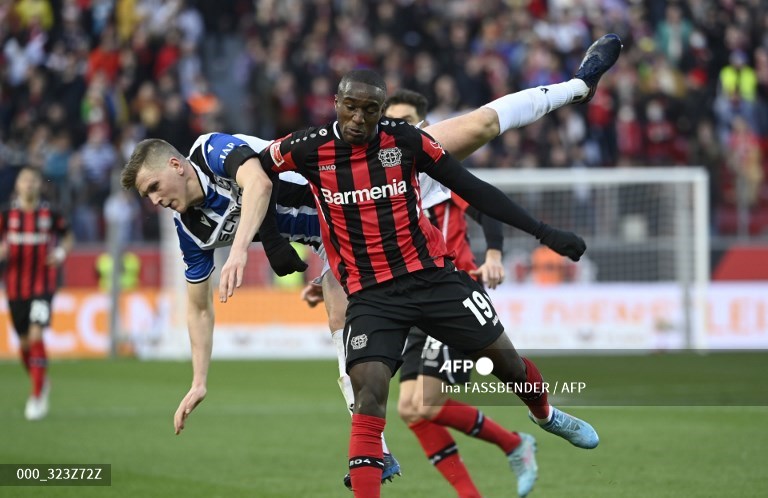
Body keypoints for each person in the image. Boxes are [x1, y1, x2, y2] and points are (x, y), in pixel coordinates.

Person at [121, 34, 620, 497]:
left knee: (482, 125)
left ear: (175, 166)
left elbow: (258, 180)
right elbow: (198, 307)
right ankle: (373, 451)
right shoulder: (202, 221)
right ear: (335, 106)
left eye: (152, 189)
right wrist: (199, 379)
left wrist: (250, 247)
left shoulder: (213, 150)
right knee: (362, 368)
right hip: (343, 245)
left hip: (400, 216)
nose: (154, 200)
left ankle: (578, 86)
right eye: (146, 197)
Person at [0, 166, 74, 421]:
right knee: (23, 344)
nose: (29, 184)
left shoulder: (49, 212)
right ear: (17, 185)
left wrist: (61, 253)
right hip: (14, 287)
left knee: (35, 334)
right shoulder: (6, 214)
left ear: (39, 184)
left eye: (33, 180)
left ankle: (36, 396)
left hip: (43, 285)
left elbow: (67, 236)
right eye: (25, 180)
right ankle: (41, 381)